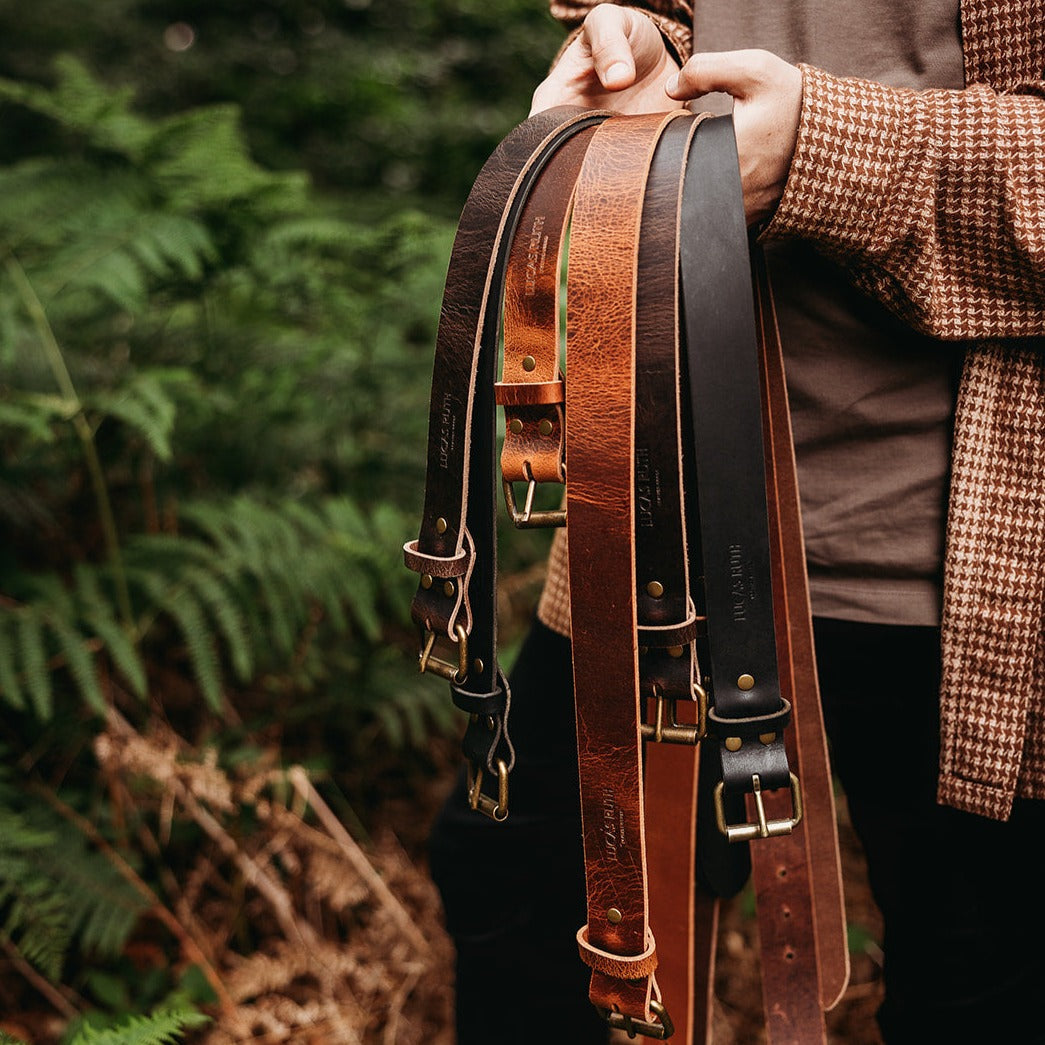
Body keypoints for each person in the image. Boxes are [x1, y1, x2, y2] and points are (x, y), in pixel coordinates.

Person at [429, 3, 1045, 1041]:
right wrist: (633, 50)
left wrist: (827, 150)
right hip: (654, 523)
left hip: (985, 586)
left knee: (990, 982)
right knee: (523, 914)